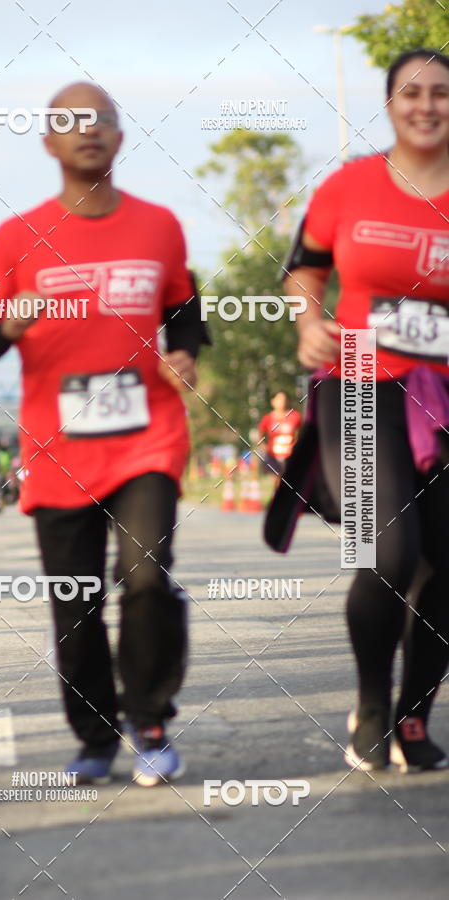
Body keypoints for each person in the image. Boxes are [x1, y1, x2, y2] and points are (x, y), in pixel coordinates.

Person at [0, 81, 207, 786]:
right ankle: (95, 739)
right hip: (57, 447)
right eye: (70, 121)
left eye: (101, 119)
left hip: (147, 433)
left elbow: (185, 308)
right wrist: (9, 324)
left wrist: (186, 351)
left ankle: (150, 720)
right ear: (48, 143)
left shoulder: (159, 226)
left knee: (146, 576)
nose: (87, 130)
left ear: (120, 137)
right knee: (76, 600)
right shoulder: (16, 237)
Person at [283, 48, 449, 772]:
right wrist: (307, 322)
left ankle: (414, 716)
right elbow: (304, 268)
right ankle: (373, 705)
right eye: (412, 92)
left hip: (444, 393)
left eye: (441, 93)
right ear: (389, 104)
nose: (426, 105)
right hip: (359, 378)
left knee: (446, 563)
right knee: (389, 551)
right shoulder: (348, 185)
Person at [257, 391, 301, 485]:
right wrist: (263, 446)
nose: (282, 402)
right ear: (273, 401)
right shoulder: (268, 418)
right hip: (273, 456)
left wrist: (297, 445)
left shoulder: (295, 416)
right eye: (279, 399)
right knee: (278, 480)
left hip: (290, 456)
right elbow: (260, 434)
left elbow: (301, 432)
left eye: (284, 399)